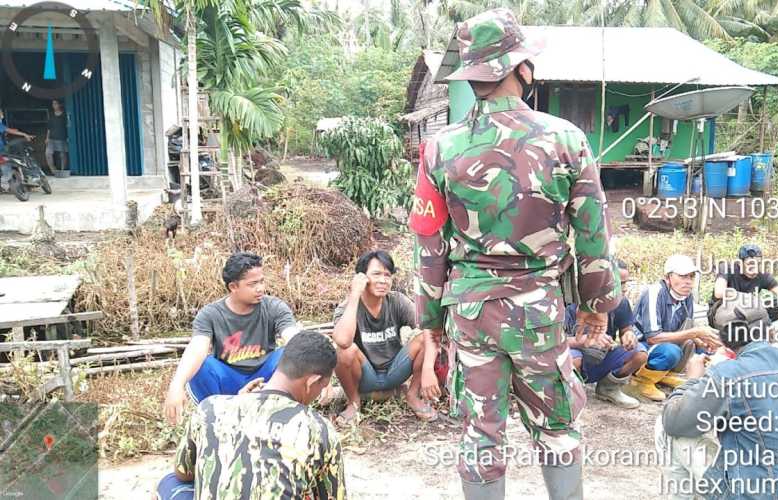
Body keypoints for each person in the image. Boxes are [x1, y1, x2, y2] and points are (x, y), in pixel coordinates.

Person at [411, 8, 621, 499]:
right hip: (537, 310)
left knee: (481, 432)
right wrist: (596, 306)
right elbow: (593, 234)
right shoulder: (565, 137)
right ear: (520, 69)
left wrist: (431, 322)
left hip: (470, 310)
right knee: (556, 427)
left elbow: (429, 241)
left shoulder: (440, 147)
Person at [660, 302, 778, 499]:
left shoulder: (727, 375)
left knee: (667, 426)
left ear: (724, 341)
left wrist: (693, 380)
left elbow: (675, 423)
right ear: (771, 331)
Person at [156, 331, 346, 500]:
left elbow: (184, 473)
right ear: (312, 381)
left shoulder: (210, 407)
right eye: (322, 387)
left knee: (169, 483)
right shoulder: (319, 429)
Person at [163, 252, 301, 425]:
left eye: (262, 281)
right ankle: (218, 419)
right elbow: (197, 347)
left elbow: (294, 338)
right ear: (233, 287)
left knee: (290, 353)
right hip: (229, 380)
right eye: (252, 284)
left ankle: (276, 414)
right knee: (202, 366)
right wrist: (176, 385)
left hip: (266, 380)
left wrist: (316, 365)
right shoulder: (211, 314)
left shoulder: (274, 307)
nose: (260, 288)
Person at [331, 249, 435, 423]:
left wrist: (428, 369)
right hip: (365, 376)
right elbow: (342, 341)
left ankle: (412, 396)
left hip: (395, 371)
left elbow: (428, 329)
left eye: (387, 275)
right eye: (376, 274)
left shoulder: (397, 301)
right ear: (362, 278)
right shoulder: (348, 307)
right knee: (345, 350)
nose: (383, 280)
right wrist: (355, 295)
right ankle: (353, 402)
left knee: (425, 338)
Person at [629, 254, 721, 402]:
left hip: (664, 342)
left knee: (703, 348)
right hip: (641, 345)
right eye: (683, 276)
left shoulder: (687, 297)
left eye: (691, 277)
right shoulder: (654, 293)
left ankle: (663, 375)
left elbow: (685, 330)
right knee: (671, 352)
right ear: (668, 277)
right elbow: (653, 337)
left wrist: (703, 342)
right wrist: (695, 332)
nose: (688, 282)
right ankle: (640, 381)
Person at [563, 260, 648, 408]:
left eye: (624, 284)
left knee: (640, 353)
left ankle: (608, 388)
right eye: (617, 284)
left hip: (603, 354)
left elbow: (625, 328)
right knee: (571, 358)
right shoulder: (570, 302)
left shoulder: (621, 303)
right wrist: (584, 340)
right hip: (577, 354)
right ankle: (568, 395)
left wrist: (628, 335)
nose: (623, 289)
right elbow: (553, 341)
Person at [709, 243, 778, 327]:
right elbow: (719, 293)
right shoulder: (727, 267)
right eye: (750, 264)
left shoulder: (762, 275)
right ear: (740, 263)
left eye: (757, 264)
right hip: (723, 312)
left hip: (749, 311)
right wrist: (747, 298)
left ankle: (756, 327)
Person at [0, 109, 36, 191]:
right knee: (19, 159)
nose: (2, 115)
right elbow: (8, 130)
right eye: (1, 113)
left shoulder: (1, 124)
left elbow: (7, 130)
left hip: (3, 149)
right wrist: (24, 134)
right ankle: (29, 177)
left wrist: (13, 130)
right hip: (2, 150)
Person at [45, 99, 68, 173]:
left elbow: (68, 126)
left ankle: (62, 170)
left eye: (55, 104)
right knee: (48, 153)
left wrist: (68, 137)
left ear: (59, 105)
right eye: (53, 104)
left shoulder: (64, 115)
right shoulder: (51, 115)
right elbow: (49, 128)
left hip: (61, 138)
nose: (54, 105)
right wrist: (47, 138)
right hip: (51, 138)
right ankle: (53, 170)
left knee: (62, 155)